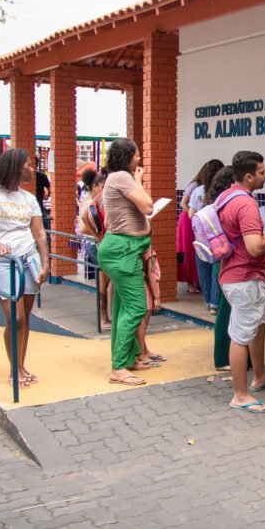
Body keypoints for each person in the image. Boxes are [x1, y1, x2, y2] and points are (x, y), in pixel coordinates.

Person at [0, 148, 50, 388]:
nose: (32, 169)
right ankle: (14, 370)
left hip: (28, 260)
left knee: (25, 318)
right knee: (15, 318)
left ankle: (21, 367)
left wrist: (46, 262)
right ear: (16, 167)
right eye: (28, 165)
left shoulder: (29, 198)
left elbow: (39, 232)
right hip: (2, 262)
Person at [218, 151, 265, 413]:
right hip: (244, 278)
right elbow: (255, 247)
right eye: (262, 172)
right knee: (241, 336)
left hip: (235, 275)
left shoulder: (226, 196)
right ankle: (240, 395)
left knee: (257, 324)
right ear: (248, 176)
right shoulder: (245, 204)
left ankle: (260, 376)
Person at [95, 139, 157, 386]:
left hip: (125, 249)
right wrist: (139, 181)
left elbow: (110, 221)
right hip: (123, 251)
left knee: (123, 308)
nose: (139, 160)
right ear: (127, 157)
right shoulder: (122, 177)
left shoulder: (114, 178)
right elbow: (148, 207)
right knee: (137, 308)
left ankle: (129, 358)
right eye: (136, 155)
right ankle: (118, 367)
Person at [202, 166, 236, 371]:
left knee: (227, 309)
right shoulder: (225, 205)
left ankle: (230, 356)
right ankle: (223, 358)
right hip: (225, 261)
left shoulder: (214, 203)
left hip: (219, 261)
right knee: (226, 311)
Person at [179, 161, 224, 295]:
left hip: (199, 229)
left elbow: (192, 213)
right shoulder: (216, 190)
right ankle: (213, 298)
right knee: (214, 265)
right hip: (213, 232)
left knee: (202, 261)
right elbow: (183, 204)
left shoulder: (199, 190)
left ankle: (208, 296)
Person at [188, 159, 225, 313]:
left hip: (201, 236)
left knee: (203, 270)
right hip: (217, 237)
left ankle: (208, 300)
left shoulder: (198, 191)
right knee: (217, 269)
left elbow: (191, 214)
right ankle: (215, 304)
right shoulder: (222, 192)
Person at [78, 171, 112, 326]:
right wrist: (98, 235)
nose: (104, 190)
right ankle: (103, 317)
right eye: (102, 187)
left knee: (105, 282)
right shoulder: (90, 202)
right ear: (94, 186)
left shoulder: (91, 200)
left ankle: (105, 316)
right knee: (103, 283)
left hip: (95, 244)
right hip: (95, 245)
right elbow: (83, 226)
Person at [34, 159, 52, 233]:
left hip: (38, 201)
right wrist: (47, 195)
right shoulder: (42, 175)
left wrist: (47, 195)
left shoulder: (42, 176)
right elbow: (49, 188)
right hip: (39, 202)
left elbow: (49, 188)